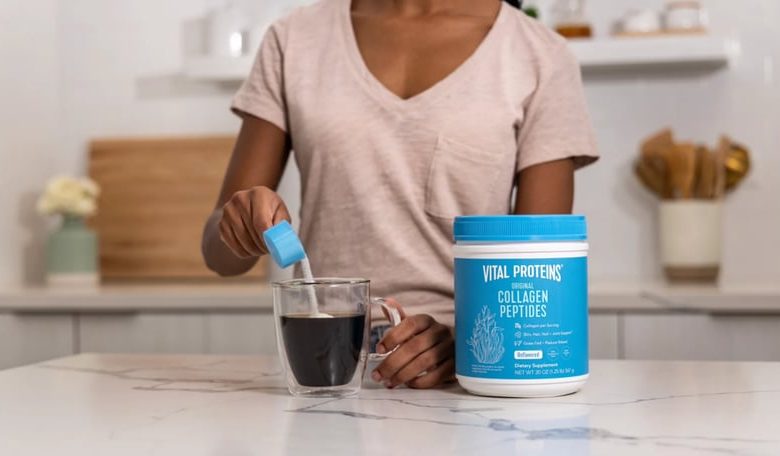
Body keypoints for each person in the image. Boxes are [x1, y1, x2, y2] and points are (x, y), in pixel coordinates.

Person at [202, 0, 598, 389]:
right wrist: (239, 224)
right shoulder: (294, 39)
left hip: (468, 377)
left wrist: (463, 343)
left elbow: (543, 277)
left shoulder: (540, 53)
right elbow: (219, 255)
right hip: (327, 367)